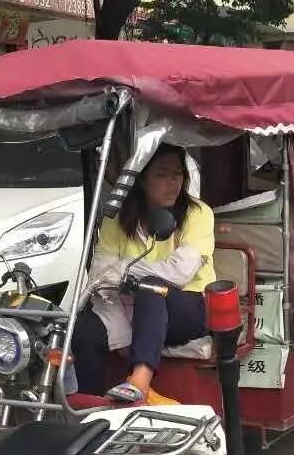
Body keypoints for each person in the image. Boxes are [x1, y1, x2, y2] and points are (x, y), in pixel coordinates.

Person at [71, 143, 216, 403]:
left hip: (189, 307)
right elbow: (101, 279)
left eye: (178, 174)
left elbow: (180, 272)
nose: (173, 183)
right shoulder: (116, 218)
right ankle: (88, 407)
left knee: (150, 286)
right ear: (141, 179)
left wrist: (125, 268)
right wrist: (121, 334)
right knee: (85, 328)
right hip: (131, 310)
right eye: (162, 174)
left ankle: (140, 378)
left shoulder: (198, 213)